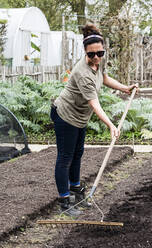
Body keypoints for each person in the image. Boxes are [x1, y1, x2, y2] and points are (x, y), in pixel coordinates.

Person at [50, 23, 138, 217]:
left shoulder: (98, 62)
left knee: (77, 154)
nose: (96, 58)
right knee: (65, 157)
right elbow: (94, 103)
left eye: (100, 53)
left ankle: (76, 191)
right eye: (91, 55)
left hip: (80, 118)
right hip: (66, 116)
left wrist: (125, 88)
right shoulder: (82, 73)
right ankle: (65, 201)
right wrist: (111, 125)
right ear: (85, 52)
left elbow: (104, 77)